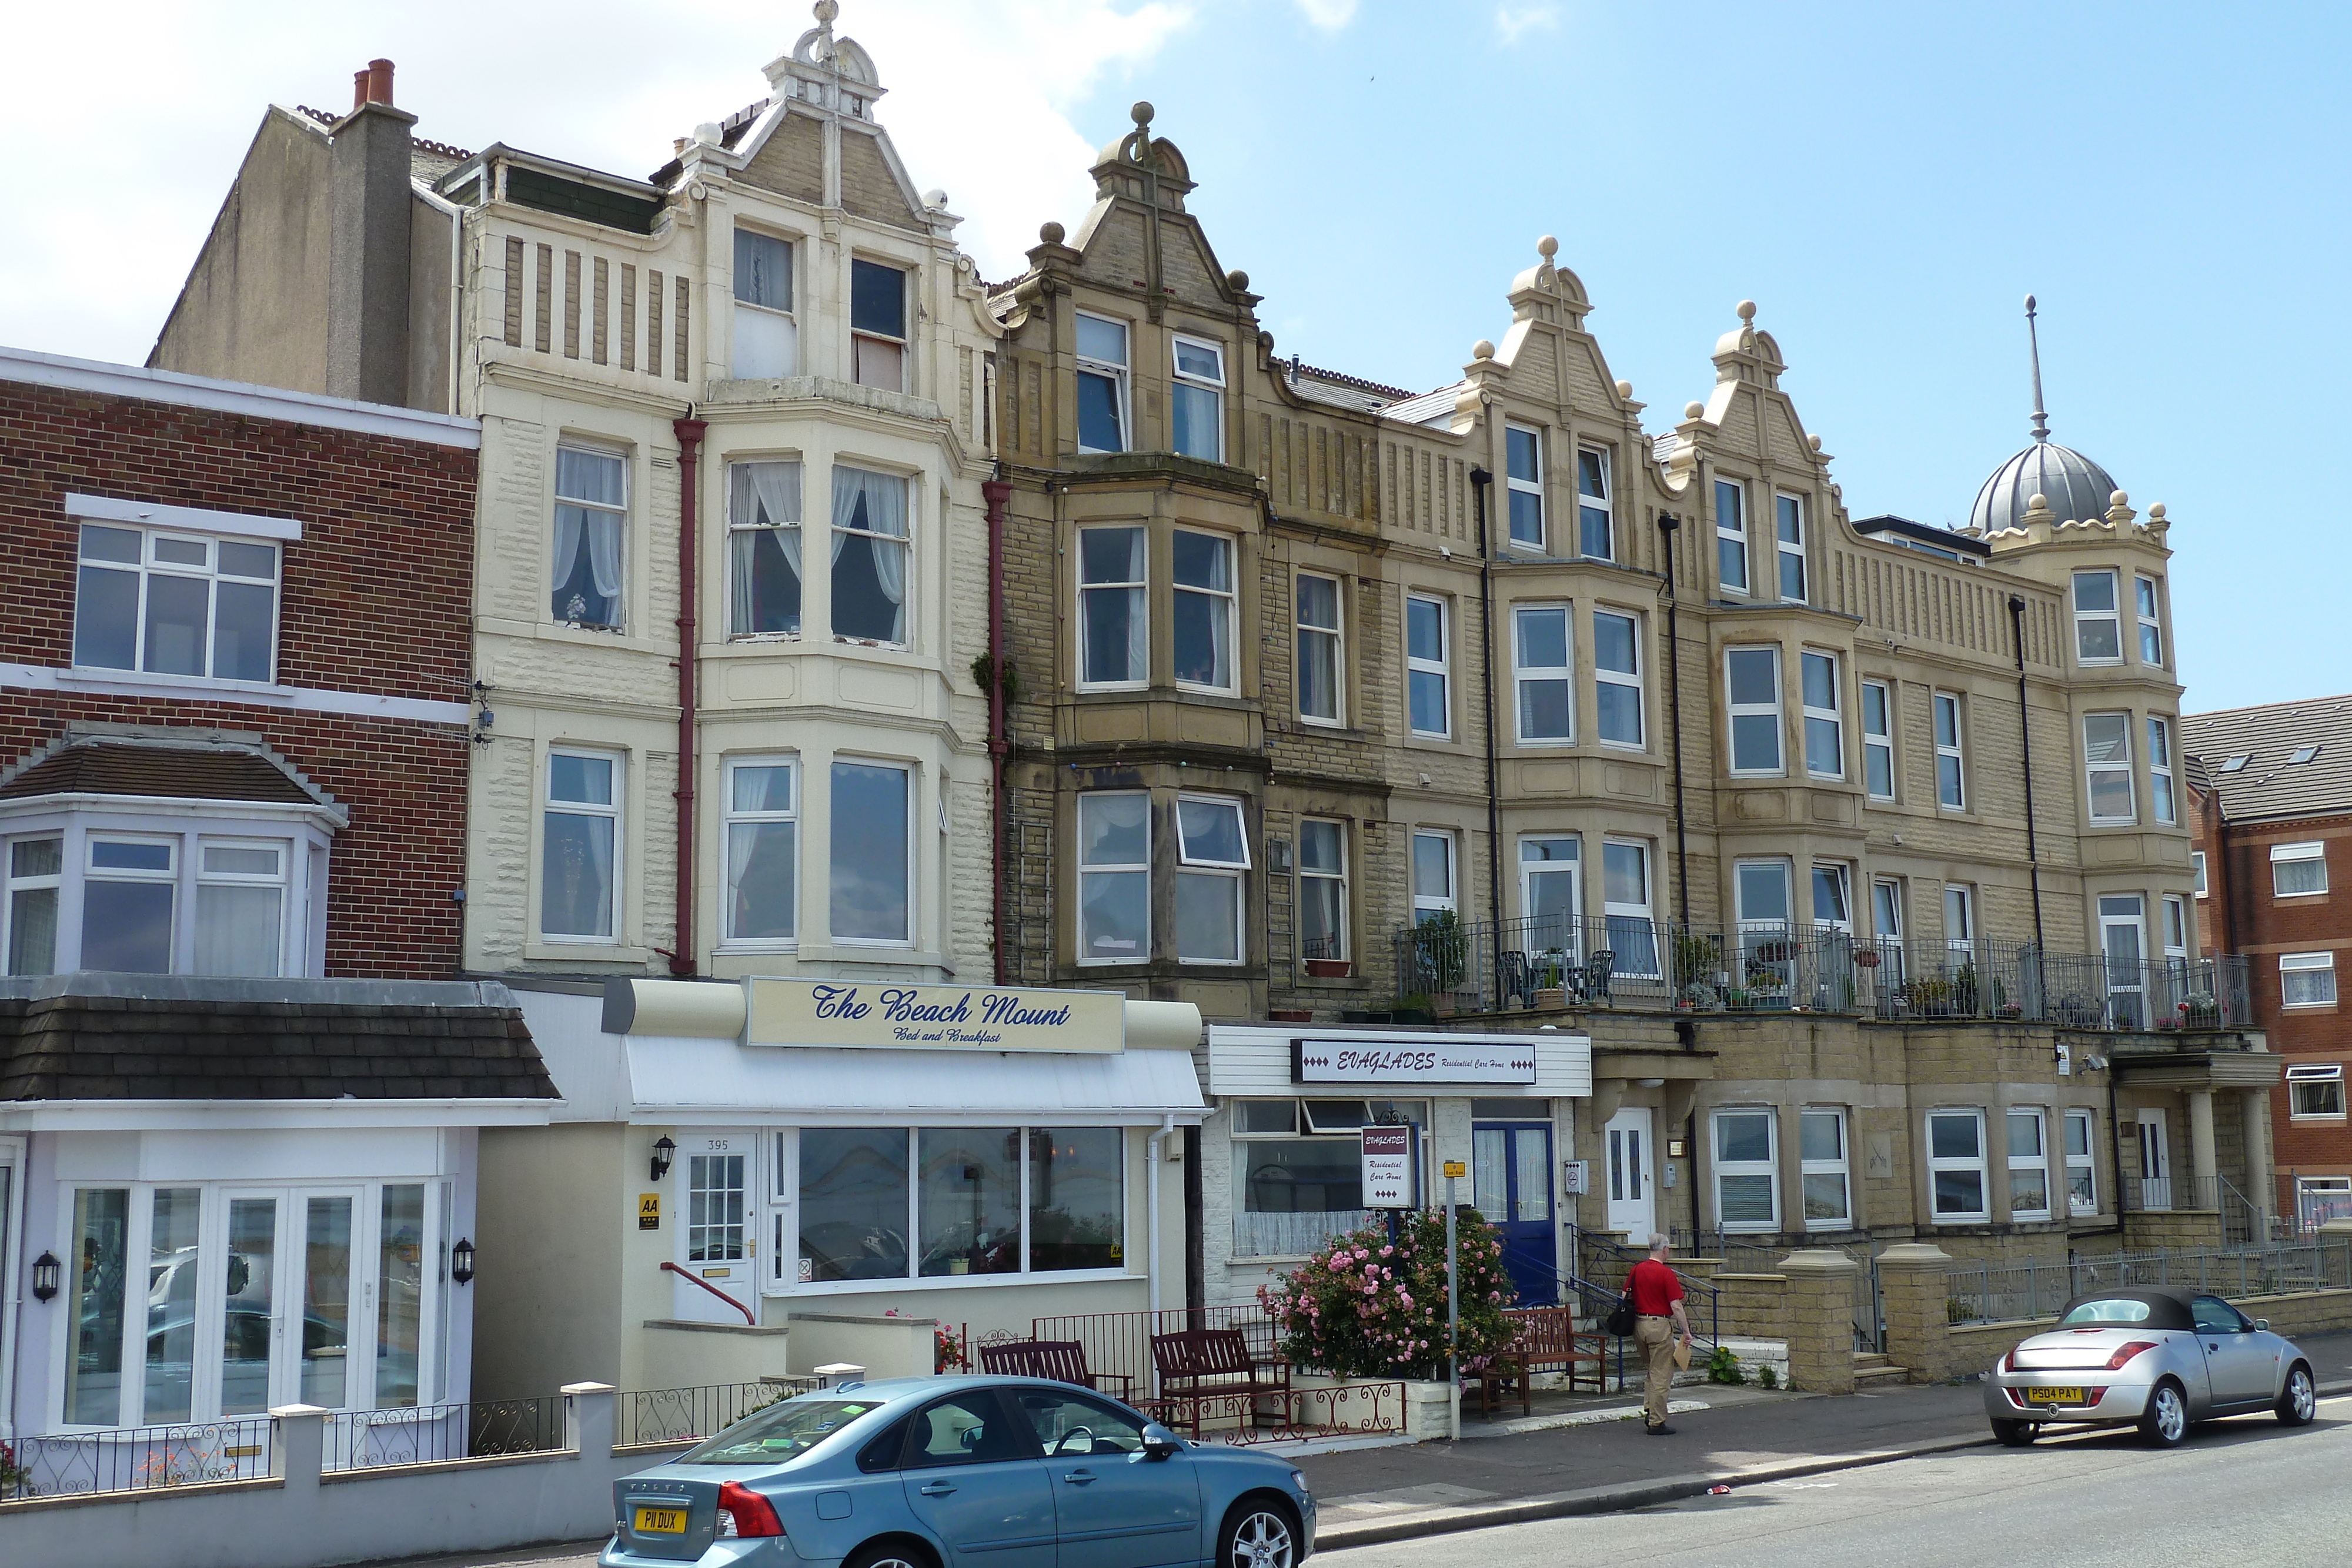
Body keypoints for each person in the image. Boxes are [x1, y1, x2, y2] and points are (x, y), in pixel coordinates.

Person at [1628, 1232, 1693, 1435]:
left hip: (1639, 1324)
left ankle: (1649, 1409)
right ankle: (1657, 1421)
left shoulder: (1637, 1270)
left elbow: (1625, 1295)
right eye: (1669, 1249)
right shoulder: (1666, 1273)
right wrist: (1686, 1331)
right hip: (1659, 1325)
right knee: (1662, 1375)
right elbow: (1676, 1306)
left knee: (1651, 1370)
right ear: (1664, 1250)